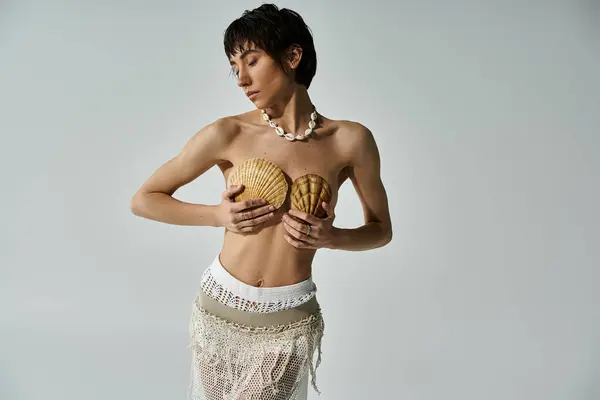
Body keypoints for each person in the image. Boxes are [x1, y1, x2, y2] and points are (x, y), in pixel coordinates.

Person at [130, 4, 392, 399]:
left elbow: (381, 230)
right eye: (234, 66)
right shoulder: (228, 132)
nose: (241, 78)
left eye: (251, 61)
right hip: (218, 308)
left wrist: (331, 236)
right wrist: (220, 216)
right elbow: (144, 199)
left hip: (288, 321)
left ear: (292, 55)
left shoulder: (350, 141)